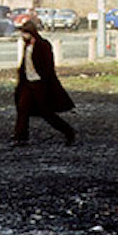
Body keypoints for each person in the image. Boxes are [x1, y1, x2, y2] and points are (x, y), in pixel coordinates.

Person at [13, 18, 77, 146]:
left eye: (25, 33)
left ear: (31, 33)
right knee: (22, 109)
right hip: (28, 83)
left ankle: (68, 131)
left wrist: (45, 82)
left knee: (46, 112)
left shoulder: (43, 45)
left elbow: (47, 66)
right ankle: (20, 137)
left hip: (40, 84)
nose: (22, 36)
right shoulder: (27, 46)